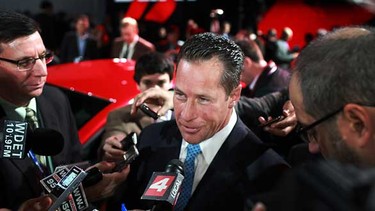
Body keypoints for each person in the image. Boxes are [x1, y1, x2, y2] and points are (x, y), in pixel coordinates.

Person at [118, 32, 289, 210]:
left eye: (203, 99)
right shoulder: (150, 139)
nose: (186, 115)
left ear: (234, 96)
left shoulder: (269, 175)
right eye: (180, 95)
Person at [0, 10, 128, 210]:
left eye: (44, 57)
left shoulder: (56, 100)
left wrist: (90, 180)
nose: (42, 71)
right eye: (24, 62)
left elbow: (72, 164)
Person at [100, 52, 174, 161]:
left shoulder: (184, 113)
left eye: (161, 83)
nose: (155, 90)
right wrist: (115, 145)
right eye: (148, 83)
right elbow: (114, 134)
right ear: (138, 84)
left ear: (171, 83)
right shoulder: (120, 115)